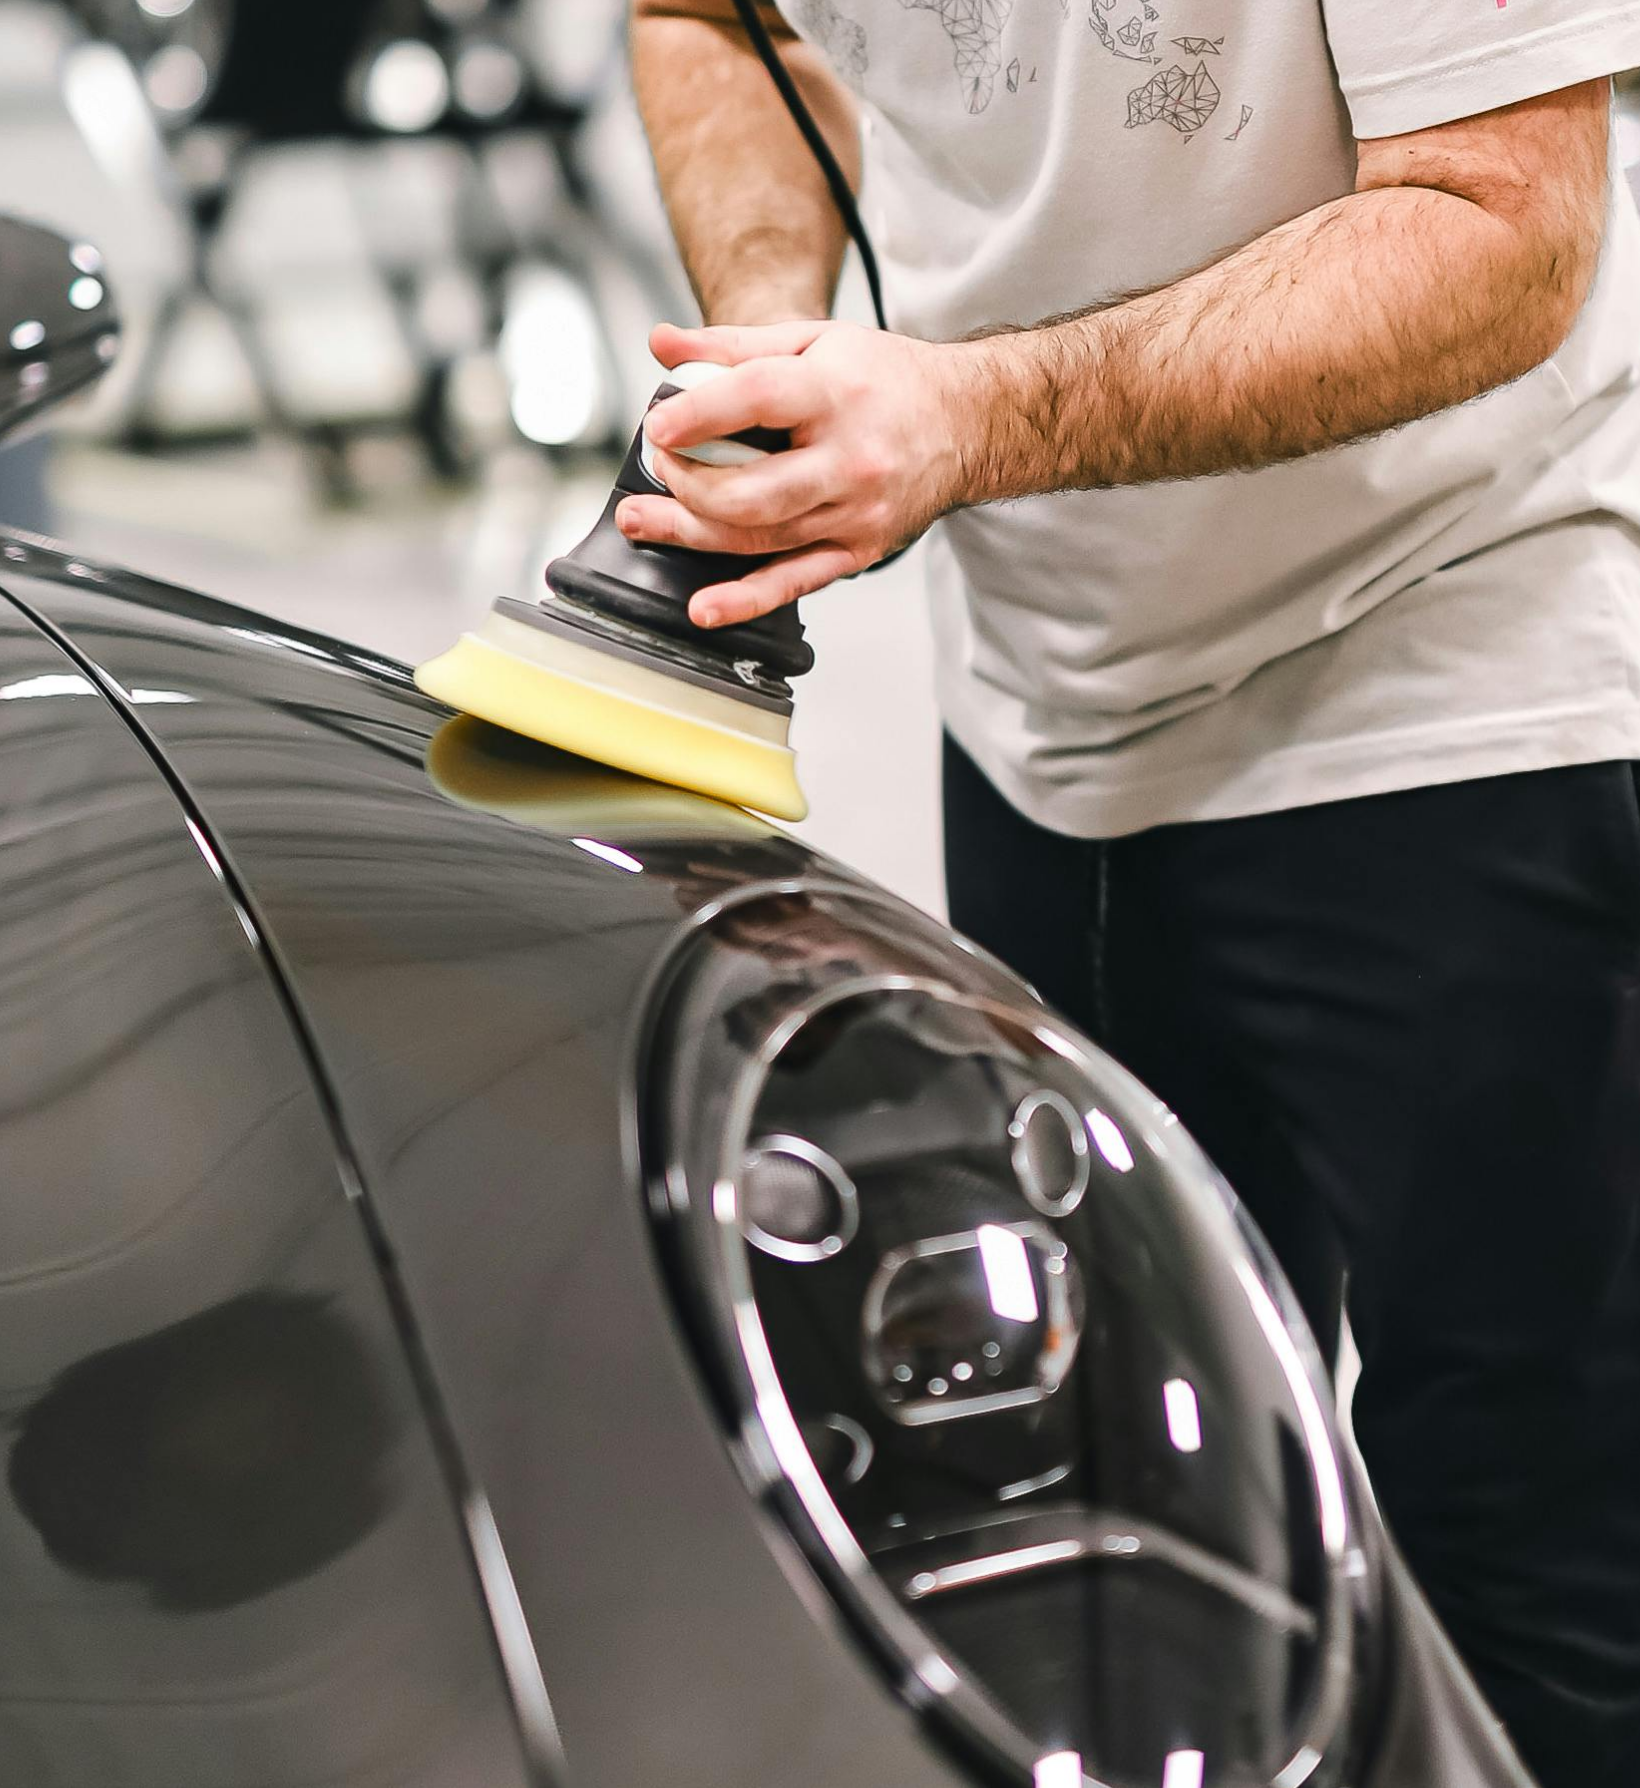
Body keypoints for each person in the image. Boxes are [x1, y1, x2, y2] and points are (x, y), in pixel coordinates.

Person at [622, 3, 1640, 1782]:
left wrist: (968, 412)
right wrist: (776, 334)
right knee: (1121, 1511)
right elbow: (705, 16)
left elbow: (1501, 232)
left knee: (1529, 1563)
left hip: (1447, 672)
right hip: (1045, 692)